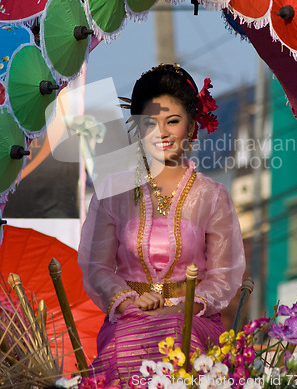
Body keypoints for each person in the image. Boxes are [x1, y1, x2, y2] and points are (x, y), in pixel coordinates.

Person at [78, 64, 245, 387]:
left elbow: (225, 276)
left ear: (191, 126)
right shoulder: (113, 192)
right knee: (122, 347)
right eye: (150, 124)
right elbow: (97, 267)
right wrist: (128, 301)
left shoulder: (211, 196)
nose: (162, 133)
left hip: (193, 321)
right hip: (129, 318)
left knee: (176, 339)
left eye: (172, 121)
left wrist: (186, 306)